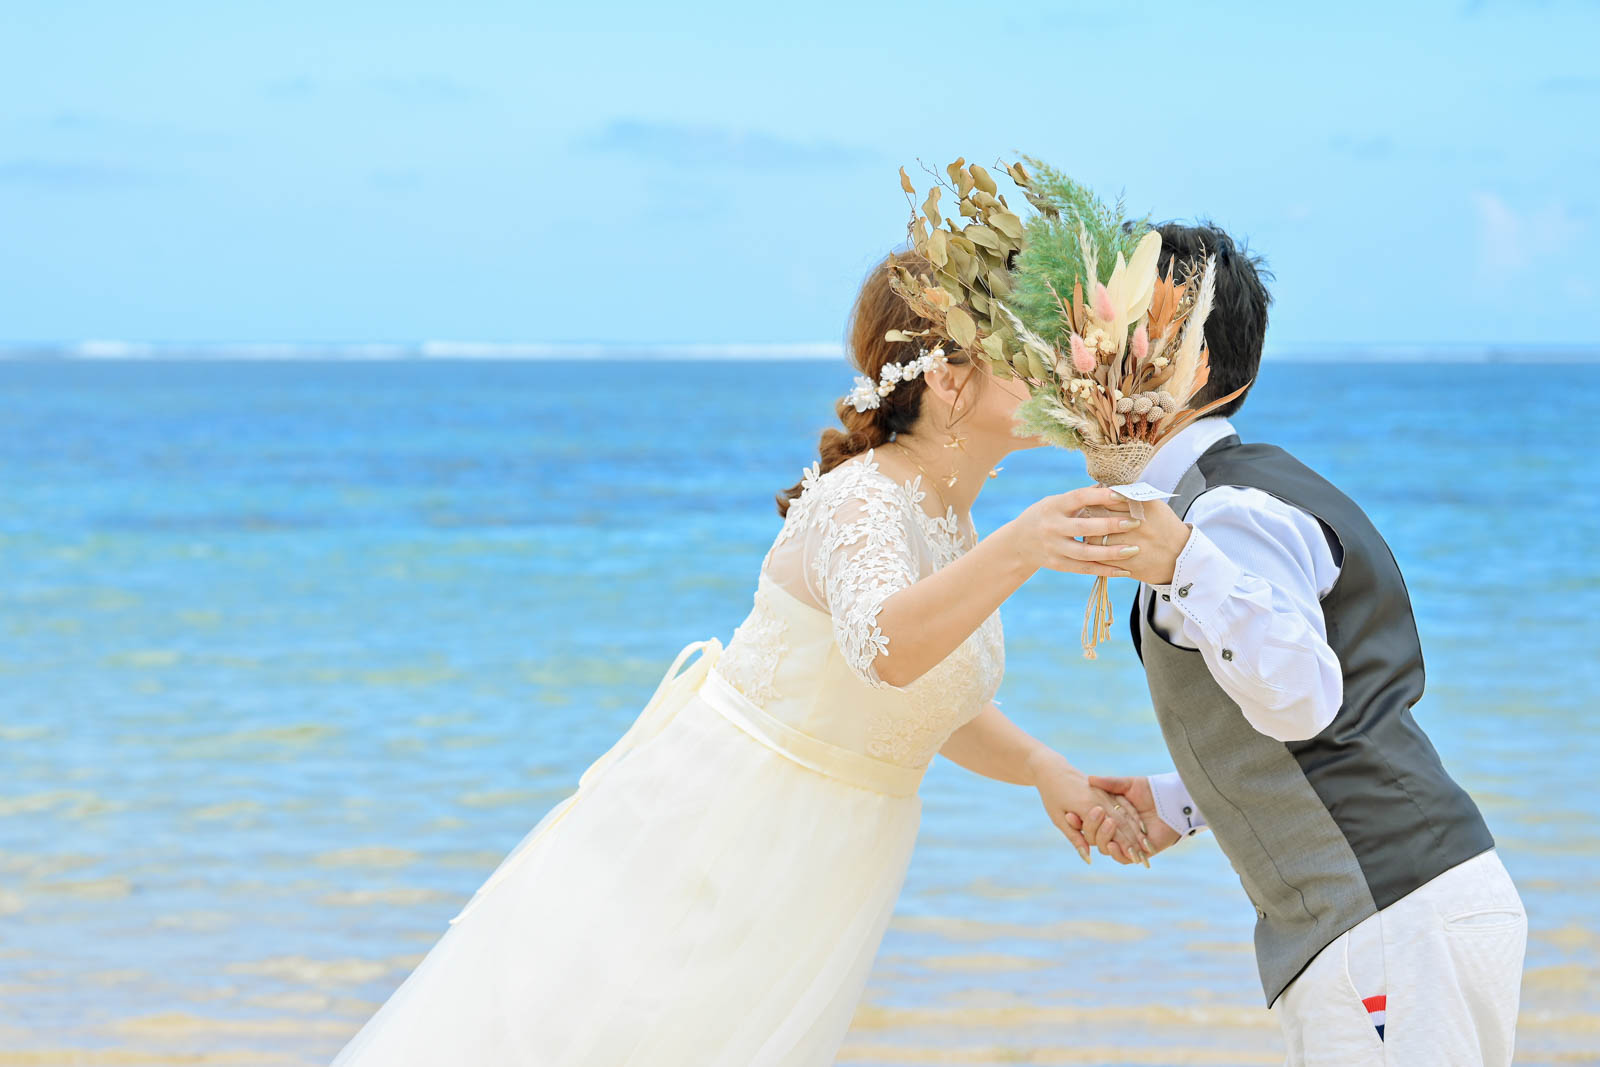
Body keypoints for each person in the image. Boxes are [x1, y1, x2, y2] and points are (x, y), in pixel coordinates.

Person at [328, 253, 1147, 1066]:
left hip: (827, 861)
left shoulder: (947, 516)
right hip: (728, 840)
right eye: (1027, 345)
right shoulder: (864, 498)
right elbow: (887, 648)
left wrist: (1042, 766)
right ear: (945, 377)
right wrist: (1024, 545)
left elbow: (921, 701)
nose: (1062, 364)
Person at [1075, 224, 1527, 1066]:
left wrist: (1181, 560)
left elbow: (1306, 694)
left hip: (1388, 920)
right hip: (1409, 911)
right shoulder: (1233, 493)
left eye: (1110, 328)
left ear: (1188, 364)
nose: (1085, 354)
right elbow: (1320, 708)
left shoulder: (1223, 512)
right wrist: (1184, 798)